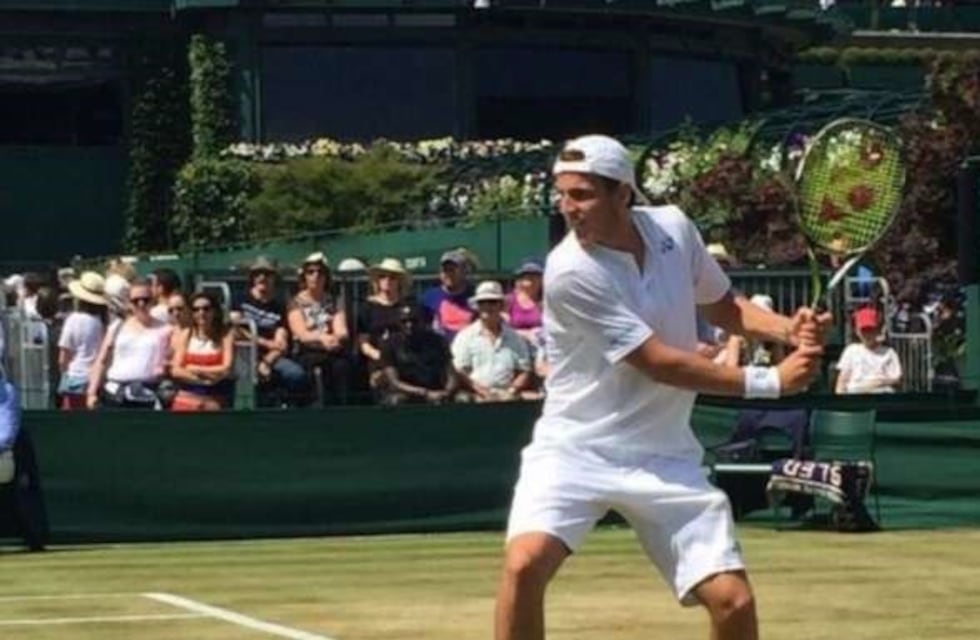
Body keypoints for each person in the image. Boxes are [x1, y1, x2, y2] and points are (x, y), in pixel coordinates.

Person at [494, 134, 829, 640]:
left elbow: (723, 306)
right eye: (562, 195)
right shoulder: (569, 271)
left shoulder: (674, 227)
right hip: (575, 450)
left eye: (581, 194)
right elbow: (658, 363)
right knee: (524, 567)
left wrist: (786, 328)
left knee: (734, 604)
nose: (568, 208)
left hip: (665, 456)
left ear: (623, 194)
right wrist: (770, 380)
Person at [86, 279, 172, 409]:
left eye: (145, 299)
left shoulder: (166, 329)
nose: (141, 304)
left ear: (153, 301)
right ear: (129, 303)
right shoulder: (117, 327)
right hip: (115, 395)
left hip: (149, 396)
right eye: (135, 301)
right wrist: (91, 393)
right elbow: (101, 360)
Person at [236, 255, 308, 405]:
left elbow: (281, 343)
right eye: (258, 274)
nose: (262, 277)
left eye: (267, 274)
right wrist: (265, 342)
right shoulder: (239, 299)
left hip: (272, 358)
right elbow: (235, 331)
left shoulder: (280, 306)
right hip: (242, 354)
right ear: (252, 278)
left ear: (275, 278)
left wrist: (266, 362)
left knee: (296, 375)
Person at [287, 252, 352, 405]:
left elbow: (342, 329)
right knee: (316, 367)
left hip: (333, 349)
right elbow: (301, 334)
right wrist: (322, 337)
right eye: (310, 272)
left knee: (343, 367)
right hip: (307, 351)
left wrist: (336, 339)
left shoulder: (335, 301)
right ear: (304, 276)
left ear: (326, 277)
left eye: (320, 272)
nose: (316, 276)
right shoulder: (295, 302)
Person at [452, 280, 532, 403]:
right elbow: (460, 372)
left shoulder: (515, 338)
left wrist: (511, 391)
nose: (487, 306)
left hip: (508, 397)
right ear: (477, 306)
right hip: (474, 397)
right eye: (482, 302)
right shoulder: (465, 337)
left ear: (501, 305)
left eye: (492, 302)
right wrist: (483, 393)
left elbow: (524, 370)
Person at [377, 304, 460, 405]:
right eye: (404, 321)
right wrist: (425, 393)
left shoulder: (437, 341)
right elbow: (394, 382)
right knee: (397, 400)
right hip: (407, 393)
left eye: (414, 321)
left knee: (463, 398)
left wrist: (447, 392)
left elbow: (451, 373)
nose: (409, 325)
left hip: (437, 390)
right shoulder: (390, 344)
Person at [170, 291, 235, 411]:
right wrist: (205, 379)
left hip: (214, 400)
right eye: (196, 309)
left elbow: (226, 367)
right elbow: (176, 370)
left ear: (214, 311)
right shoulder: (186, 334)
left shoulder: (225, 335)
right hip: (186, 399)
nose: (201, 313)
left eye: (206, 309)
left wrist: (195, 369)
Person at [358, 257, 413, 391]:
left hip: (405, 358)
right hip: (378, 360)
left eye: (392, 277)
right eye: (382, 276)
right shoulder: (367, 307)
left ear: (399, 281)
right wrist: (379, 356)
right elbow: (363, 343)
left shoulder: (409, 306)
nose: (387, 280)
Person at [57, 272, 109, 410]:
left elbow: (64, 356)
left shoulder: (73, 319)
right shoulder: (103, 322)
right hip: (96, 379)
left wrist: (64, 374)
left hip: (75, 376)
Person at [835, 307, 902, 394]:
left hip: (881, 393)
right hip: (855, 394)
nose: (867, 334)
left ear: (877, 330)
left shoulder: (889, 353)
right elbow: (842, 380)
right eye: (864, 330)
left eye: (871, 330)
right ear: (857, 332)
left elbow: (897, 379)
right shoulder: (851, 351)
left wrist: (878, 383)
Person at [421, 250, 476, 340]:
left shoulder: (475, 295)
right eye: (445, 270)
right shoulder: (429, 298)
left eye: (452, 270)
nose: (449, 274)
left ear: (463, 271)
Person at [504, 259, 545, 344]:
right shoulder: (509, 301)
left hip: (539, 347)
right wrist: (525, 334)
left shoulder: (545, 302)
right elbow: (503, 328)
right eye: (526, 275)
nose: (531, 278)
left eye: (535, 275)